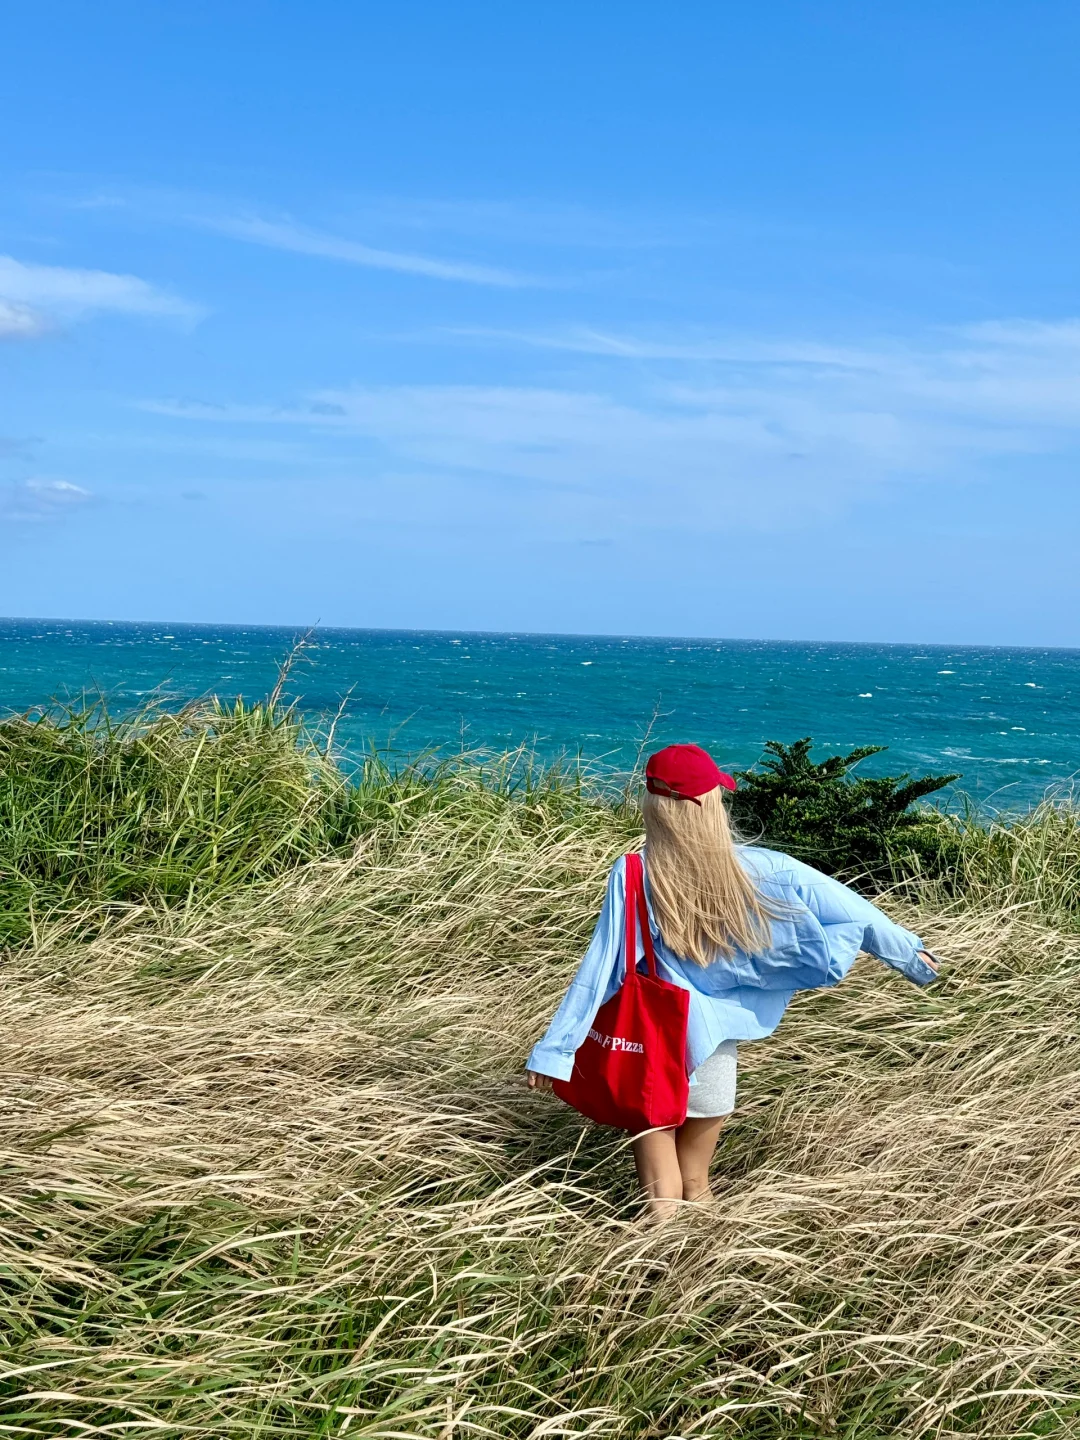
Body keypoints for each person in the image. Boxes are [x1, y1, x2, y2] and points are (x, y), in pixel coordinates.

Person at [526, 743, 941, 1219]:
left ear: (654, 806)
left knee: (660, 1195)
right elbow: (855, 912)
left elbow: (601, 968)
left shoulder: (635, 873)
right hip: (715, 1049)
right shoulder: (764, 867)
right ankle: (705, 1268)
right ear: (707, 805)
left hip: (653, 1045)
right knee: (698, 1184)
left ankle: (657, 1269)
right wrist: (912, 957)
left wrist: (555, 1050)